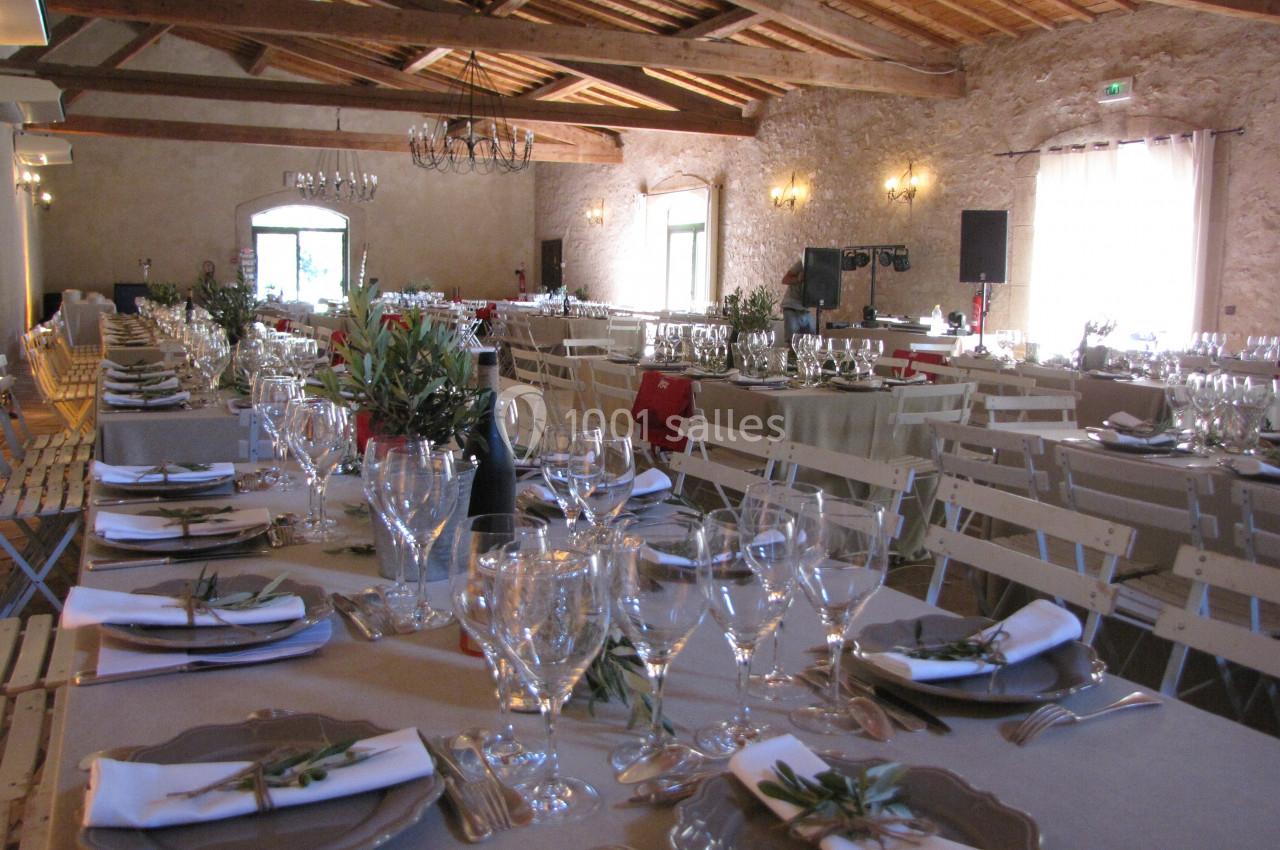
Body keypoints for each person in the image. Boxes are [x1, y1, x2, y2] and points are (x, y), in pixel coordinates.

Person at [780, 258, 815, 344]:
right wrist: (798, 279)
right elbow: (785, 280)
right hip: (791, 305)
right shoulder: (803, 262)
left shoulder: (823, 269)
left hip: (805, 308)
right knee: (793, 339)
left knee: (812, 338)